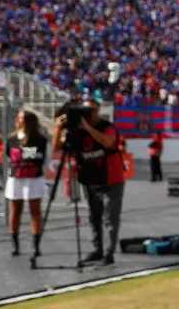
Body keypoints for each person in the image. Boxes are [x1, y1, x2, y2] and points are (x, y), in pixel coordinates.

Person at [52, 98, 125, 265]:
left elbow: (108, 141)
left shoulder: (107, 127)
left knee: (110, 217)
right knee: (94, 216)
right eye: (85, 111)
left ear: (98, 112)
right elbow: (56, 148)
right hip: (90, 179)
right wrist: (58, 128)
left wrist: (88, 128)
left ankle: (109, 252)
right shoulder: (76, 131)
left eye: (92, 111)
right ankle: (97, 249)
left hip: (111, 178)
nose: (89, 114)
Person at [5, 110, 49, 256]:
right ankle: (15, 245)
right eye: (18, 117)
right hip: (16, 178)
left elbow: (44, 159)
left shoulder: (40, 139)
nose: (18, 120)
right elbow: (9, 157)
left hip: (33, 178)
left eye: (21, 118)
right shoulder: (11, 139)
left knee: (35, 212)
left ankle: (36, 246)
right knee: (15, 211)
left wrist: (28, 161)